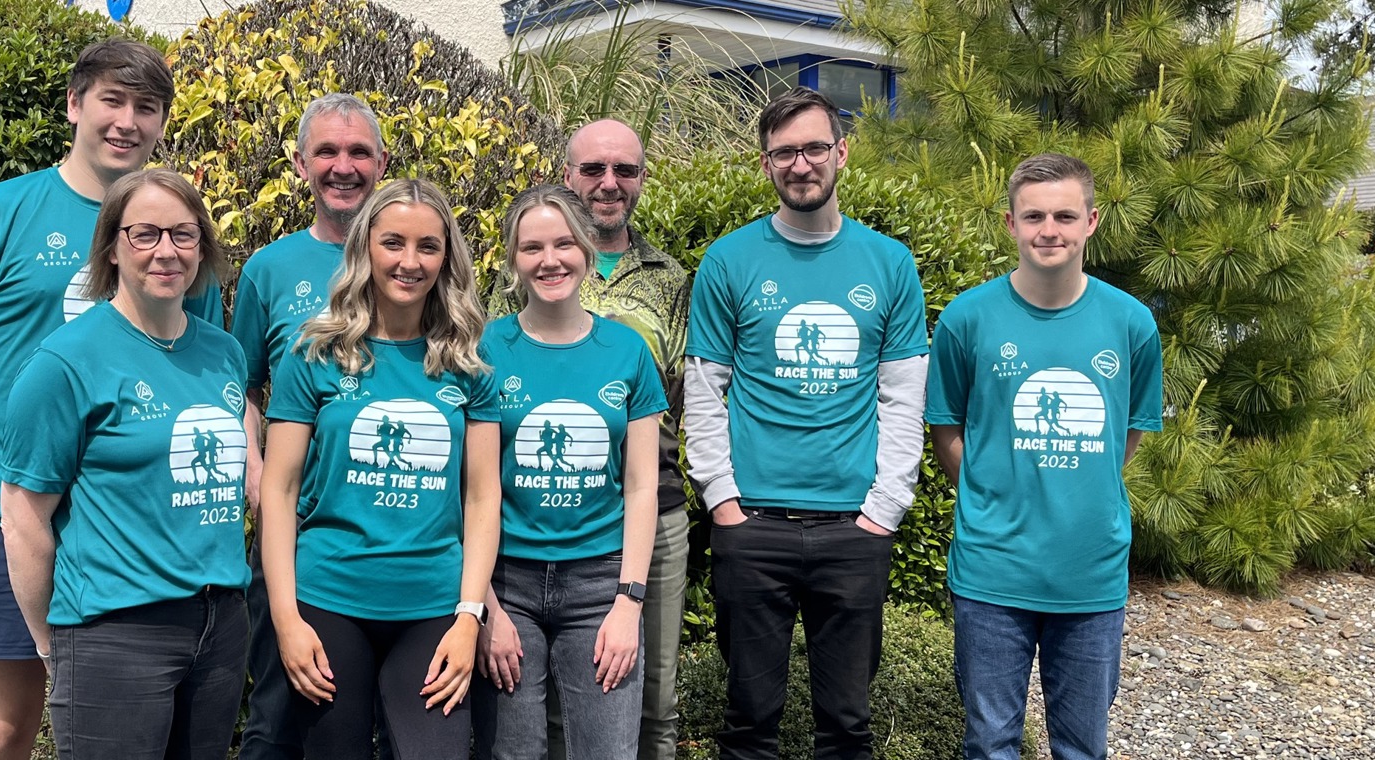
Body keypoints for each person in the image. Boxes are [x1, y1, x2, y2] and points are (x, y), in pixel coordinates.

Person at [0, 39, 200, 760]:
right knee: (3, 734)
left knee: (127, 734)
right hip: (9, 511)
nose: (127, 121)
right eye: (112, 100)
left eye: (146, 107)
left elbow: (201, 373)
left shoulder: (175, 235)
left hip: (136, 527)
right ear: (74, 104)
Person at [682, 87, 930, 760]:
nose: (800, 164)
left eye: (814, 147)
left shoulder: (889, 264)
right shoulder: (729, 261)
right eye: (783, 152)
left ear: (840, 154)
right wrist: (723, 503)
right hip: (753, 526)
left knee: (847, 728)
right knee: (748, 724)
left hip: (854, 527)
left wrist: (885, 508)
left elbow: (905, 396)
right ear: (766, 165)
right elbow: (705, 391)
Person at [0, 168, 257, 758]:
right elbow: (22, 514)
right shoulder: (66, 361)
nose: (167, 251)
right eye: (146, 234)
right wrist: (50, 643)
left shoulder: (223, 353)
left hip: (219, 625)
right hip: (114, 632)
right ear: (112, 247)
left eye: (184, 235)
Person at [927, 153, 1163, 760]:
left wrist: (1076, 491)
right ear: (1010, 224)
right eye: (1033, 216)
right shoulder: (967, 319)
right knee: (989, 742)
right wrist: (989, 492)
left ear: (1092, 221)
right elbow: (948, 429)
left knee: (1082, 746)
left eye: (1064, 215)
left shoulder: (1131, 324)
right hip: (991, 571)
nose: (1048, 229)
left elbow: (1122, 440)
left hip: (1090, 572)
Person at [259, 179, 500, 759]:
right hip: (328, 600)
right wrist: (285, 619)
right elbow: (279, 487)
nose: (409, 262)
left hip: (435, 608)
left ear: (448, 258)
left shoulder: (469, 366)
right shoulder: (314, 353)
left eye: (428, 246)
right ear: (366, 246)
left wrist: (470, 617)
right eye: (393, 243)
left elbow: (483, 498)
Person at [485, 119, 694, 760]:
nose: (549, 260)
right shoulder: (488, 344)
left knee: (631, 723)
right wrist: (482, 602)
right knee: (523, 739)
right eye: (532, 248)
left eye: (624, 169)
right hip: (513, 570)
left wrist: (628, 598)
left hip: (616, 551)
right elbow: (478, 482)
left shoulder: (647, 316)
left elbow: (678, 413)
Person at [232, 92, 391, 760]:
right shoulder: (269, 269)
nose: (343, 166)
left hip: (390, 528)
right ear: (300, 163)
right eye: (327, 151)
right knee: (279, 709)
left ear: (382, 163)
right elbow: (238, 386)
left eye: (358, 151)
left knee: (383, 721)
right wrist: (257, 474)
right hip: (294, 529)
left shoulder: (412, 260)